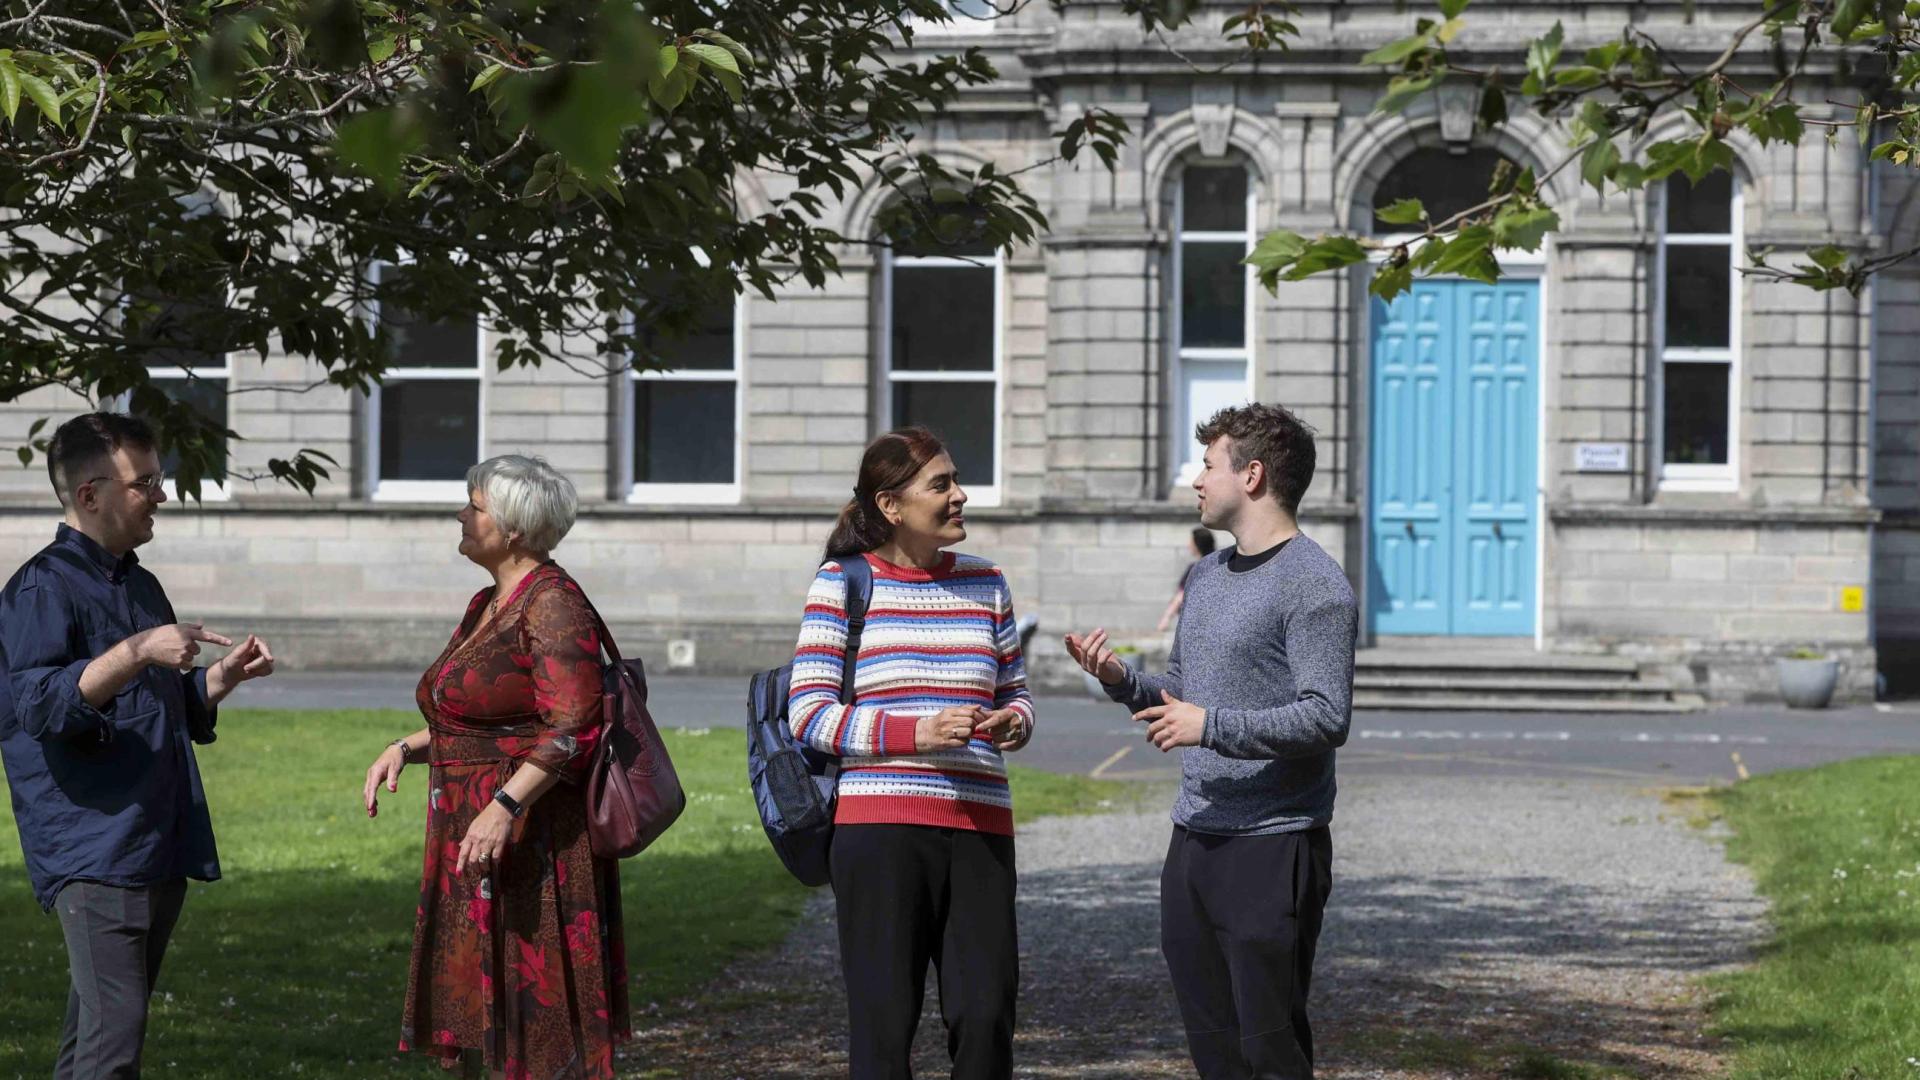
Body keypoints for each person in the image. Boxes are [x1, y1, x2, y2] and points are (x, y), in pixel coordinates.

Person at [1066, 403, 1357, 1080]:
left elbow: (1326, 717)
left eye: (1207, 464)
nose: (1195, 480)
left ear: (1252, 475)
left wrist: (1213, 727)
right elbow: (1181, 693)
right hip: (1192, 837)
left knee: (1268, 1050)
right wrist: (1119, 680)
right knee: (1213, 1049)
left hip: (1273, 844)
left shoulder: (1316, 585)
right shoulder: (1205, 576)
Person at [0, 411, 278, 1080]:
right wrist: (137, 650)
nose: (162, 494)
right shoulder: (41, 589)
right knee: (111, 1044)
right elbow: (38, 705)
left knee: (99, 1036)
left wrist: (219, 679)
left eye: (160, 477)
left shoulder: (138, 582)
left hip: (154, 837)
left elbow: (163, 706)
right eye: (145, 481)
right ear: (90, 494)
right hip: (96, 847)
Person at [363, 454, 628, 1080]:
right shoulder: (490, 599)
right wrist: (404, 747)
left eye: (474, 505)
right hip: (474, 827)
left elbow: (572, 728)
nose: (461, 513)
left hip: (530, 839)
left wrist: (505, 807)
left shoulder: (553, 603)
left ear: (512, 528)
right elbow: (477, 717)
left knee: (534, 1017)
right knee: (480, 1006)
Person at [787, 427, 1036, 1080]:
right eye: (942, 484)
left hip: (981, 827)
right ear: (890, 505)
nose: (960, 495)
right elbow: (808, 715)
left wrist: (1014, 721)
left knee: (986, 1019)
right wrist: (916, 735)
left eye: (956, 480)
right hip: (880, 832)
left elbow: (1016, 690)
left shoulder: (988, 582)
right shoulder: (842, 582)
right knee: (884, 1027)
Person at [1157, 526, 1220, 632]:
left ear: (1198, 544)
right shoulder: (1220, 566)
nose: (1188, 545)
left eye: (1191, 542)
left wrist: (1167, 617)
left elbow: (1181, 594)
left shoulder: (1196, 568)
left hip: (1193, 622)